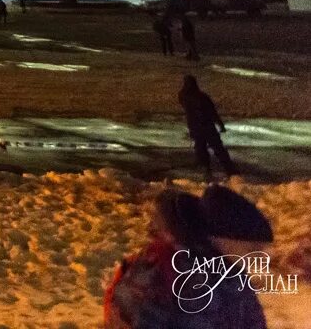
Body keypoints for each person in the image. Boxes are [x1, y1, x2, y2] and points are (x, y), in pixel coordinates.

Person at [103, 186, 268, 329]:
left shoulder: (233, 274)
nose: (261, 257)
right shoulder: (169, 270)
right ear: (220, 239)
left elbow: (251, 319)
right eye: (252, 249)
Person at [180, 75, 237, 178]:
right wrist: (220, 125)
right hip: (206, 127)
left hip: (196, 127)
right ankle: (229, 170)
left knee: (202, 149)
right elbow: (212, 112)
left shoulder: (183, 96)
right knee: (217, 148)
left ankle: (207, 169)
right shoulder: (202, 97)